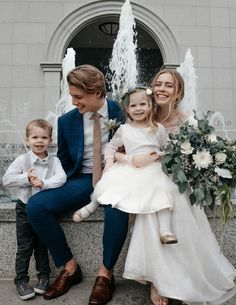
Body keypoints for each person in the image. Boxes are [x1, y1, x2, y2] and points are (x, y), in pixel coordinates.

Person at [120, 69, 236, 305]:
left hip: (177, 184)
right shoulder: (141, 118)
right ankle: (158, 282)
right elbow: (120, 152)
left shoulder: (188, 121)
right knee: (153, 207)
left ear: (178, 92)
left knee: (177, 203)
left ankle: (186, 279)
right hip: (146, 182)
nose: (162, 89)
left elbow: (200, 157)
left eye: (169, 86)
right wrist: (132, 162)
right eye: (158, 84)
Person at [26, 64, 125, 301]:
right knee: (36, 206)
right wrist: (48, 181)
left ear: (98, 93)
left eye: (78, 97)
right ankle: (69, 267)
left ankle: (105, 273)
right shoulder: (67, 121)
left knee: (118, 207)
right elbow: (63, 160)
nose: (73, 102)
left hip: (117, 177)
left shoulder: (123, 113)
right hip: (81, 179)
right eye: (72, 96)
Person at [73, 87, 178, 245]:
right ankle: (91, 205)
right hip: (129, 168)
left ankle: (165, 230)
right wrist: (109, 162)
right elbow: (110, 147)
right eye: (133, 106)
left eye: (143, 104)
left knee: (162, 191)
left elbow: (168, 149)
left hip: (153, 169)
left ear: (151, 105)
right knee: (107, 185)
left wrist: (160, 157)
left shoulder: (158, 129)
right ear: (127, 109)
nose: (138, 109)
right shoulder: (124, 129)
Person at [2, 119, 67, 300]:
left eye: (44, 137)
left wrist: (44, 183)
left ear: (50, 140)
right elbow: (7, 180)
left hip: (43, 211)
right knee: (24, 246)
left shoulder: (55, 161)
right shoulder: (22, 160)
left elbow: (62, 179)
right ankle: (21, 280)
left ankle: (43, 277)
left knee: (42, 244)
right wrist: (26, 178)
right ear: (27, 139)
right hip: (24, 208)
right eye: (35, 137)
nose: (39, 141)